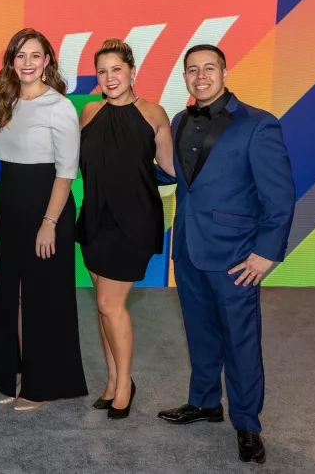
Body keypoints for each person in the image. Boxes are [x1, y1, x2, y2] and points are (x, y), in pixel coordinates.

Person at [156, 44, 295, 464]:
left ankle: (248, 424)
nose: (200, 76)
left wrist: (266, 254)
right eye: (192, 70)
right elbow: (180, 176)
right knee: (200, 333)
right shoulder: (180, 119)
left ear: (225, 71)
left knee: (241, 341)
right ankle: (204, 402)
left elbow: (280, 196)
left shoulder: (259, 124)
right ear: (184, 77)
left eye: (208, 68)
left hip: (237, 255)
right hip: (189, 248)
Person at [0, 28, 88, 411]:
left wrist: (49, 222)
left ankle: (40, 385)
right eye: (20, 55)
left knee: (42, 298)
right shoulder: (6, 101)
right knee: (13, 294)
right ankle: (20, 375)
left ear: (47, 61)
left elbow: (66, 172)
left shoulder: (59, 106)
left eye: (35, 55)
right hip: (10, 206)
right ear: (11, 61)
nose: (27, 62)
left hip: (48, 208)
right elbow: (2, 150)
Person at [76, 39, 174, 419]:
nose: (110, 77)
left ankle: (125, 383)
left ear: (132, 70)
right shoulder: (89, 112)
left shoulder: (153, 113)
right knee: (103, 307)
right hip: (95, 218)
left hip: (133, 219)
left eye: (117, 69)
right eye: (102, 71)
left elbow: (169, 168)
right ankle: (115, 379)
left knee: (108, 303)